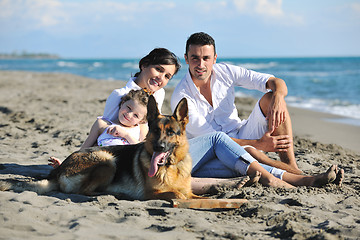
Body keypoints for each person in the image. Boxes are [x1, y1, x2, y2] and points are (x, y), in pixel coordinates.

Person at [171, 32, 302, 175]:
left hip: (241, 133)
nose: (201, 65)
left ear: (214, 58)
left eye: (206, 58)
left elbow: (275, 81)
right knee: (253, 152)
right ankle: (297, 175)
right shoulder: (181, 97)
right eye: (195, 58)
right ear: (186, 59)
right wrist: (259, 144)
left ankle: (290, 165)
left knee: (271, 99)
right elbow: (216, 141)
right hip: (212, 151)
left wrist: (278, 97)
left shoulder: (225, 71)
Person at [189, 132, 344, 194]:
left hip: (187, 164)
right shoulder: (181, 92)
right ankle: (271, 180)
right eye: (162, 71)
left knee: (235, 164)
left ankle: (308, 180)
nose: (163, 78)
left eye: (168, 75)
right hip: (171, 160)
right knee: (217, 138)